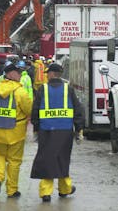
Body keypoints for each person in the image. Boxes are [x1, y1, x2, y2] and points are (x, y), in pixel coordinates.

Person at [30, 63, 85, 203]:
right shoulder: (69, 89)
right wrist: (79, 129)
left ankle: (45, 193)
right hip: (65, 131)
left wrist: (36, 129)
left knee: (47, 158)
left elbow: (35, 111)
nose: (47, 75)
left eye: (48, 73)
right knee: (62, 159)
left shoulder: (43, 89)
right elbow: (78, 111)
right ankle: (65, 189)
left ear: (53, 74)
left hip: (46, 130)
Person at [0, 62, 32, 198]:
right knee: (14, 161)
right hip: (15, 131)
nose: (20, 75)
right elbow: (29, 109)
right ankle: (11, 190)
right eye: (18, 73)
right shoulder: (19, 91)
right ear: (11, 74)